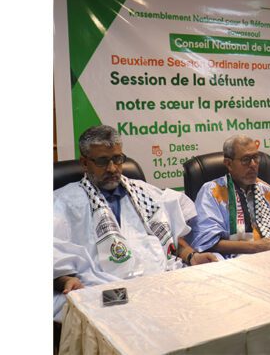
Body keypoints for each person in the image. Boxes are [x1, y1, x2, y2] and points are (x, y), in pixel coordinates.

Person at [53, 125, 217, 321]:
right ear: (85, 163)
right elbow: (53, 255)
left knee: (207, 309)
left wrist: (191, 256)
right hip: (106, 289)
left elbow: (171, 237)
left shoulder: (146, 193)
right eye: (102, 161)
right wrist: (64, 279)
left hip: (161, 282)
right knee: (127, 320)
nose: (112, 168)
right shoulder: (64, 202)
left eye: (117, 159)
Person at [188, 135, 270, 256]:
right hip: (236, 260)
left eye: (255, 158)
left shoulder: (264, 189)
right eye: (245, 160)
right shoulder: (212, 192)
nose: (253, 165)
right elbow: (207, 241)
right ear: (228, 164)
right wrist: (253, 247)